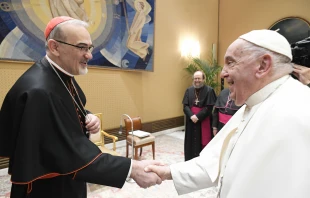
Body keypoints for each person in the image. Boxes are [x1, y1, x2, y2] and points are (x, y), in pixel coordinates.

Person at [0, 16, 161, 198]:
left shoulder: (59, 75)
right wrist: (131, 169)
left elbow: (66, 111)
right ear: (55, 47)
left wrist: (88, 116)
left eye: (89, 48)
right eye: (81, 47)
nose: (89, 55)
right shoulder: (39, 91)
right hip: (49, 187)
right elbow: (68, 155)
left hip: (67, 178)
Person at [145, 29, 310, 198]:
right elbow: (217, 160)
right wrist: (169, 171)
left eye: (231, 63)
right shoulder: (255, 102)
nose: (222, 73)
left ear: (262, 65)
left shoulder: (297, 111)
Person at [182, 71, 217, 161]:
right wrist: (191, 116)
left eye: (199, 78)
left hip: (203, 120)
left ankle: (202, 162)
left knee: (202, 143)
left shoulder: (209, 90)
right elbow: (185, 106)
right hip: (191, 121)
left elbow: (209, 108)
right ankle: (190, 161)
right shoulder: (189, 90)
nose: (197, 80)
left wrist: (197, 117)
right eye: (195, 78)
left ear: (203, 79)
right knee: (190, 143)